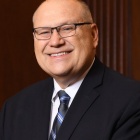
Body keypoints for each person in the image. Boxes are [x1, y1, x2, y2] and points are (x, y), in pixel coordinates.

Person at [1, 0, 140, 139]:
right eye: (44, 32)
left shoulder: (132, 100)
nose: (55, 42)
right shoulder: (14, 109)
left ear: (93, 35)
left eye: (67, 28)